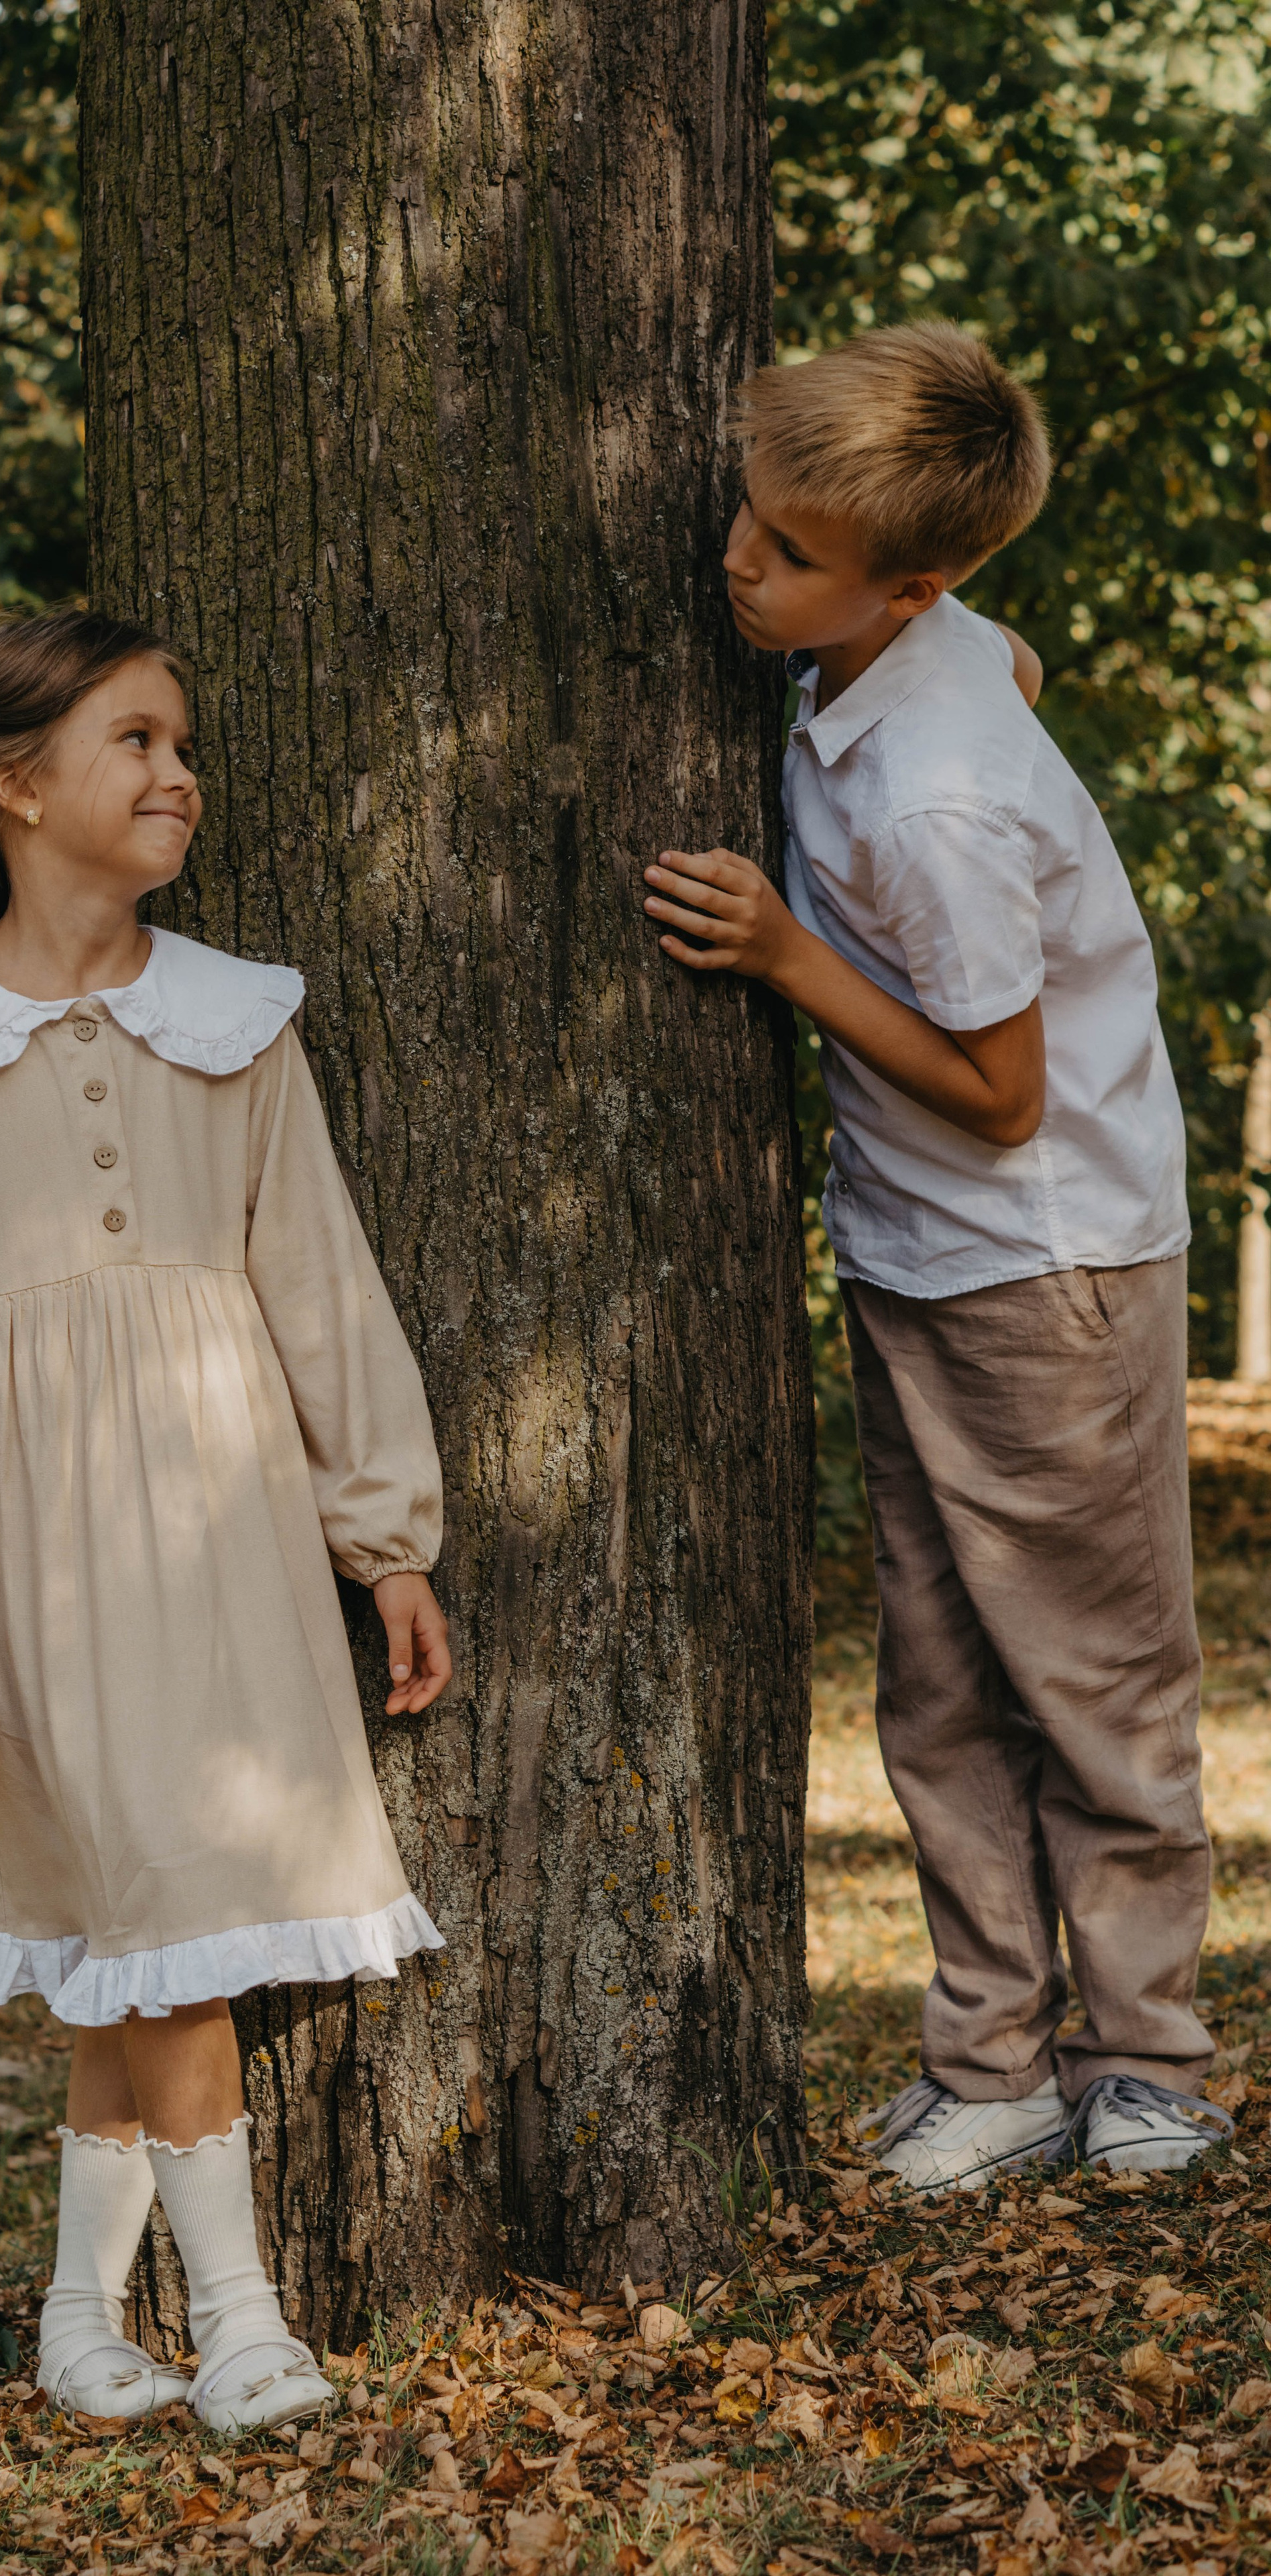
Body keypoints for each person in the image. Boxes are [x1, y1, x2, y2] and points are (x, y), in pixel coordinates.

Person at [0, 606, 452, 2426]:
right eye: (135, 743)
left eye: (182, 742)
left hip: (227, 1547)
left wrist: (386, 1537)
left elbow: (322, 1286)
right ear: (14, 784)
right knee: (144, 1915)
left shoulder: (234, 1021)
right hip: (36, 1574)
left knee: (137, 1926)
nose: (178, 774)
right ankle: (240, 2317)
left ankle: (85, 2327)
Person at [644, 323, 1232, 2191]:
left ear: (908, 581)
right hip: (920, 1256)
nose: (741, 558)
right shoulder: (922, 646)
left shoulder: (941, 799)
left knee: (1094, 1675)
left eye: (791, 553)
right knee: (941, 1674)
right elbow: (1015, 656)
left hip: (1042, 1268)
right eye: (753, 514)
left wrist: (789, 957)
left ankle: (1150, 2061)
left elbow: (997, 1089)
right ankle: (988, 2059)